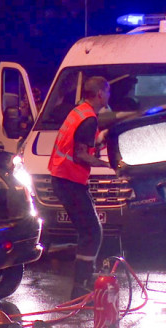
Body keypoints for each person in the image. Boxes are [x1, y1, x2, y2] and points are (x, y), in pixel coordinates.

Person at [48, 76, 111, 299]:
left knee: (88, 230)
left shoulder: (79, 111)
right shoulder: (89, 118)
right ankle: (82, 287)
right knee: (92, 231)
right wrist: (109, 164)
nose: (109, 96)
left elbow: (80, 142)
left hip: (63, 178)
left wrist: (100, 140)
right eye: (108, 91)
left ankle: (81, 286)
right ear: (100, 94)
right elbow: (81, 154)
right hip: (69, 181)